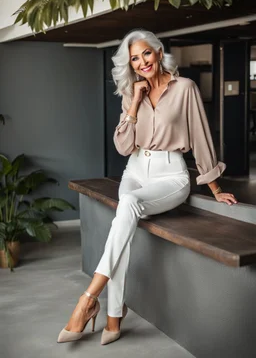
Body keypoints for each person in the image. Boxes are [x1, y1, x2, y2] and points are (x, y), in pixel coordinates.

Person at [57, 29, 238, 345]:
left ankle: (88, 299)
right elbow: (123, 146)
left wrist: (214, 186)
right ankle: (113, 316)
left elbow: (200, 136)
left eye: (146, 54)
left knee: (125, 208)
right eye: (134, 58)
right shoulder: (131, 92)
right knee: (123, 230)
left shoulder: (185, 88)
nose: (142, 62)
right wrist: (135, 101)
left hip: (171, 175)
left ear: (158, 52)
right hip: (135, 170)